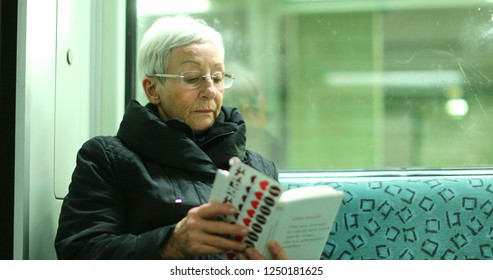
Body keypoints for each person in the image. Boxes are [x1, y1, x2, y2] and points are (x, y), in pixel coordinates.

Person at [54, 14, 286, 260]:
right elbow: (78, 253)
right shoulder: (106, 159)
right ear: (152, 89)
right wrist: (171, 244)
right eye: (192, 78)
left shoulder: (260, 169)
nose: (209, 91)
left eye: (217, 78)